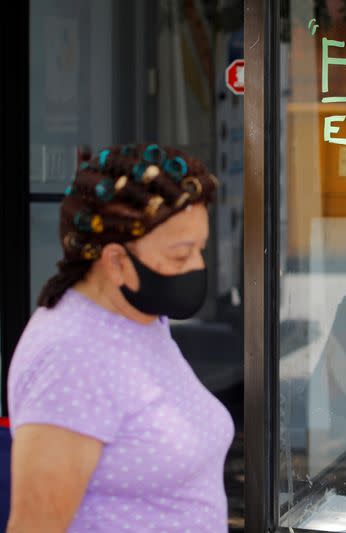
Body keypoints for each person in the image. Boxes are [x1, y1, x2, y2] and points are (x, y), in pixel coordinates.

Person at [6, 144, 233, 532]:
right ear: (115, 262)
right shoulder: (70, 359)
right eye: (181, 255)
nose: (198, 267)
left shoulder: (142, 319)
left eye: (201, 249)